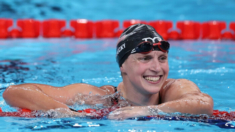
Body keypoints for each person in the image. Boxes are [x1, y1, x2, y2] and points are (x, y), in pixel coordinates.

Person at [3, 24, 213, 120]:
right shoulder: (102, 98)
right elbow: (14, 92)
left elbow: (203, 104)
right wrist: (64, 111)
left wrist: (148, 111)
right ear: (123, 66)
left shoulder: (174, 88)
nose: (157, 68)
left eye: (162, 58)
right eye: (145, 58)